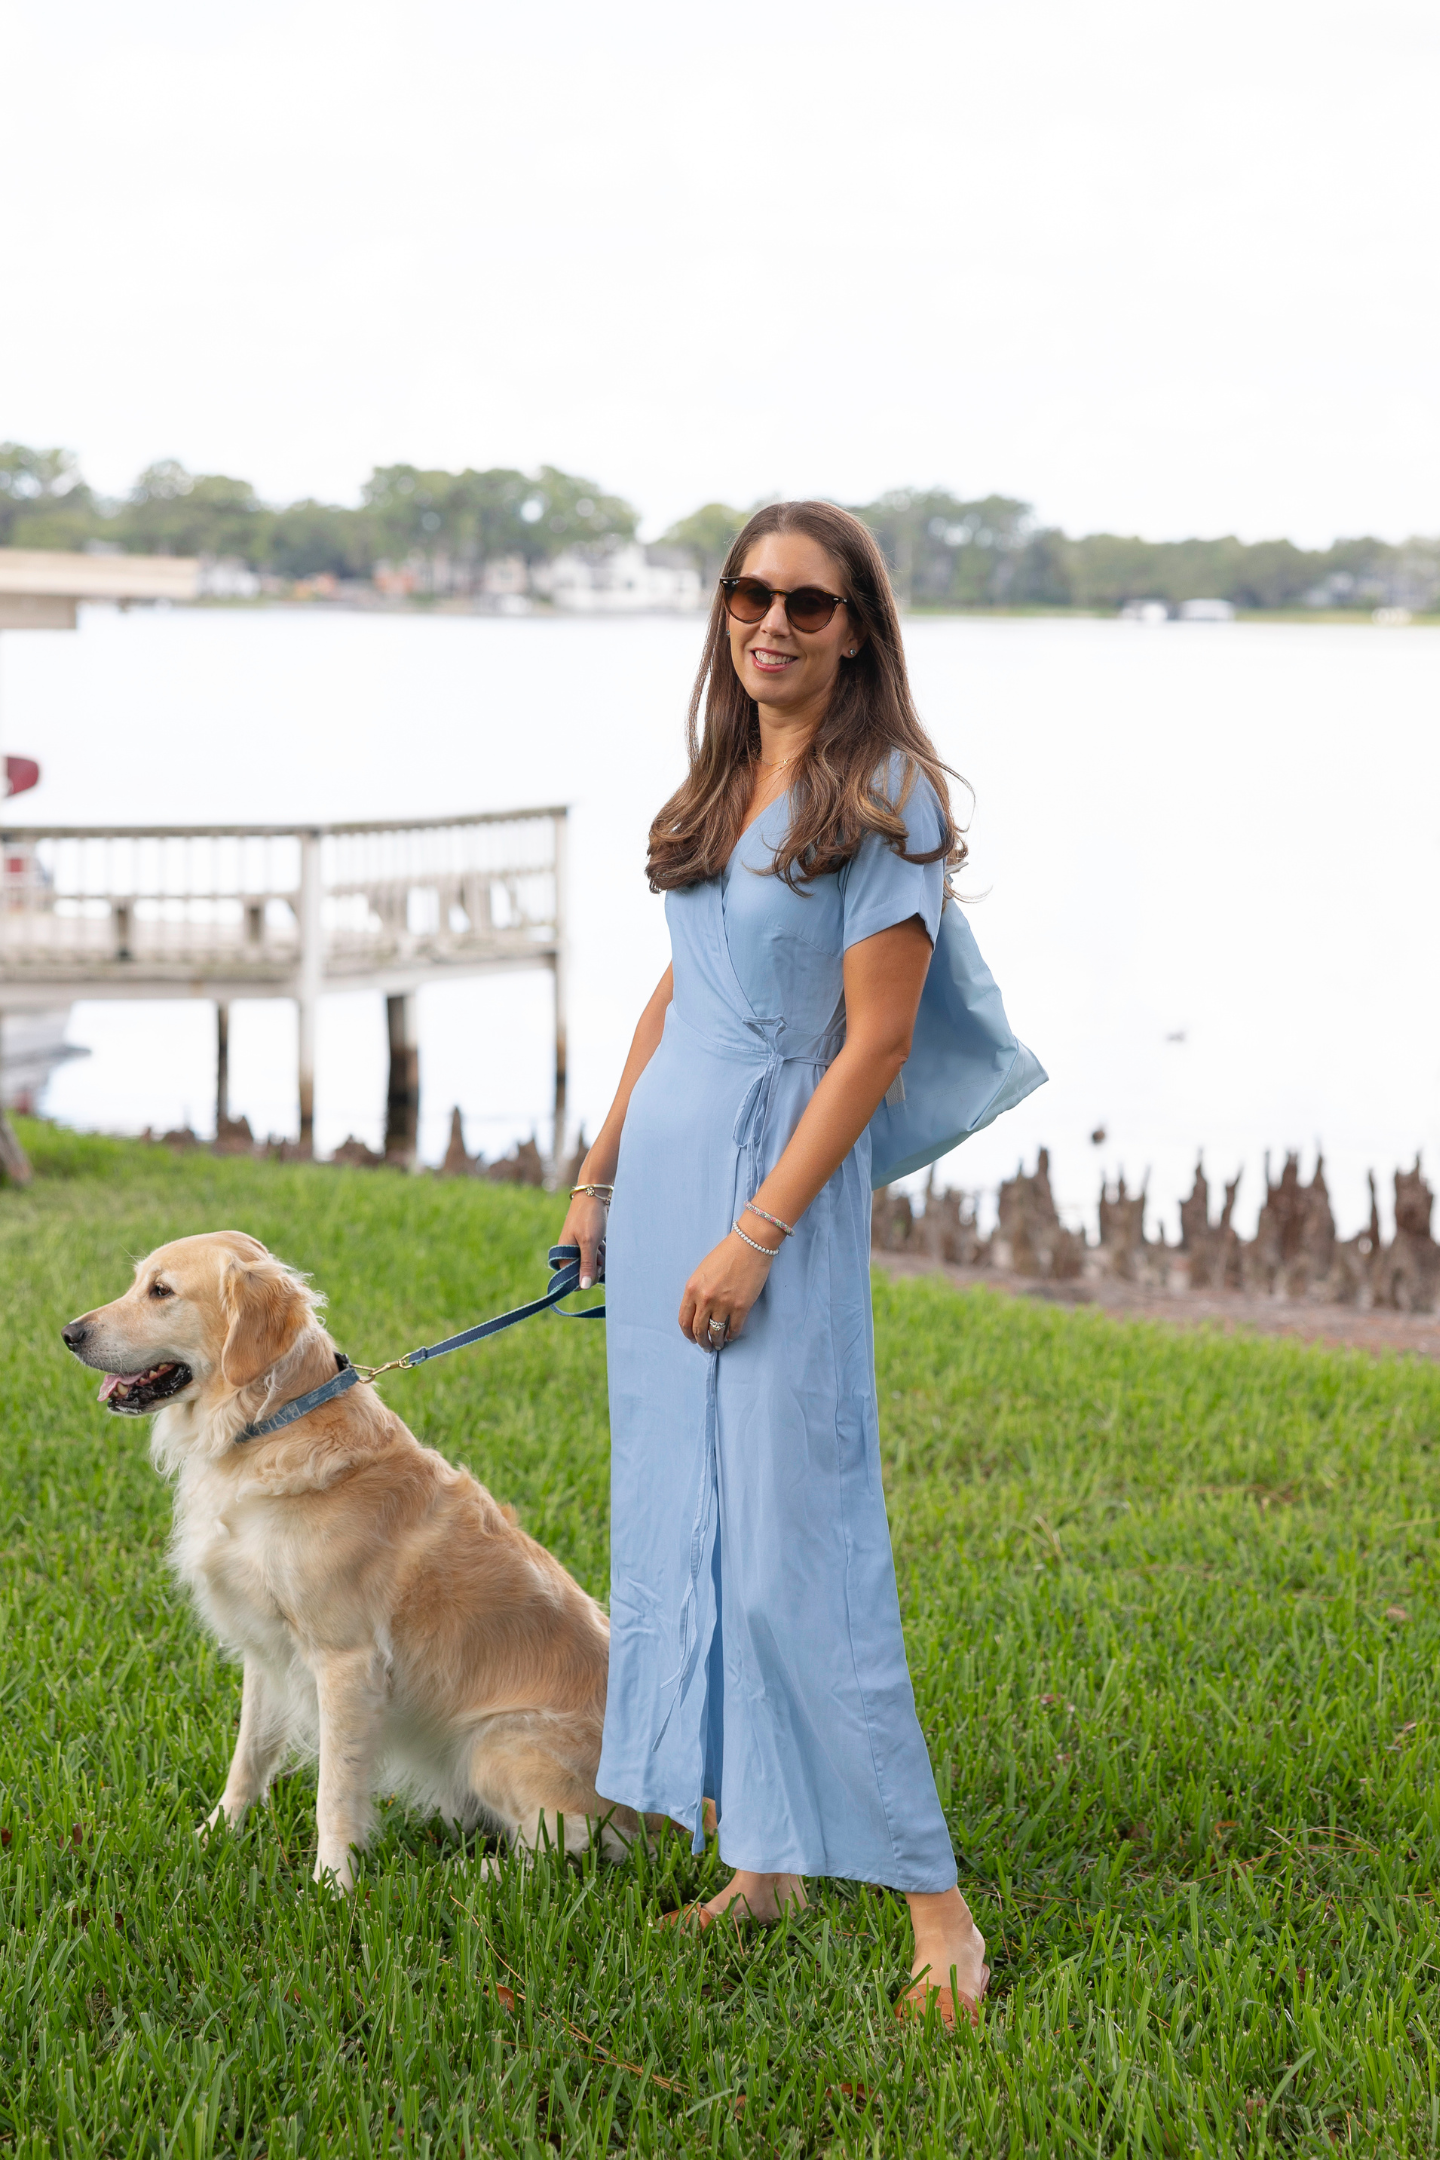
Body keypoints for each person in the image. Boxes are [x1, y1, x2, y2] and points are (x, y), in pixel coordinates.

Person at [560, 500, 992, 2029]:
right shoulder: (727, 774)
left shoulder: (889, 800)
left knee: (800, 1552)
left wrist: (756, 1234)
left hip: (770, 1197)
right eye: (750, 594)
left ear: (858, 627)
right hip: (670, 1175)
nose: (773, 623)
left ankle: (938, 1912)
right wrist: (598, 1176)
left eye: (809, 604)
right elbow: (672, 997)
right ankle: (761, 1862)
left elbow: (874, 1044)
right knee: (694, 1534)